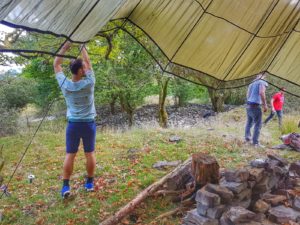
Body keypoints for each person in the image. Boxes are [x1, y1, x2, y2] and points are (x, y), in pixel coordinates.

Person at [53, 42, 96, 198]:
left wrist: (65, 47)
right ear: (80, 71)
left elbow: (56, 64)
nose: (86, 67)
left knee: (70, 154)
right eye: (83, 67)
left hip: (73, 125)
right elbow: (89, 63)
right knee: (89, 153)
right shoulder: (90, 83)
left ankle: (65, 187)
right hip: (88, 124)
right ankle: (89, 183)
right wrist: (82, 46)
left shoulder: (65, 85)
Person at [244, 73, 268, 148]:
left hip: (248, 105)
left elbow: (247, 94)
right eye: (265, 75)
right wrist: (265, 105)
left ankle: (247, 138)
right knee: (258, 125)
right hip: (255, 106)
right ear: (263, 75)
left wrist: (249, 100)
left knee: (249, 122)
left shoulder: (252, 83)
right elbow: (262, 92)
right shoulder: (262, 82)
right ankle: (255, 143)